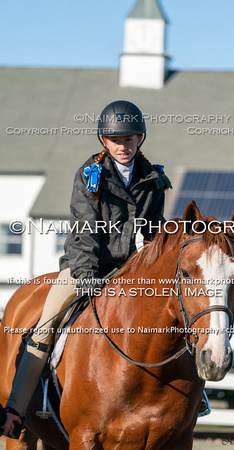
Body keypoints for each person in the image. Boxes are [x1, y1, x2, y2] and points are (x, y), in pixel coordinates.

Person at [2, 100, 172, 437]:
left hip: (128, 270)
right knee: (44, 328)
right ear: (104, 142)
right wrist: (88, 278)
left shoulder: (154, 179)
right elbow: (84, 232)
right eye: (116, 140)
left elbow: (154, 233)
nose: (123, 146)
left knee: (172, 317)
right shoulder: (90, 176)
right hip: (84, 268)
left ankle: (195, 398)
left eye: (130, 139)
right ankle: (16, 411)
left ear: (140, 139)